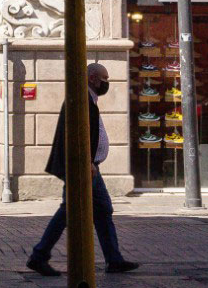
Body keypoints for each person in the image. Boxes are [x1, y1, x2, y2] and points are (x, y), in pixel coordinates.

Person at [27, 63, 139, 276]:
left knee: (102, 210)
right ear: (92, 78)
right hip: (84, 167)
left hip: (90, 167)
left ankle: (114, 259)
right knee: (69, 211)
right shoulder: (81, 99)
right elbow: (76, 133)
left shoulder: (88, 99)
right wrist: (85, 161)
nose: (107, 83)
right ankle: (39, 256)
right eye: (104, 79)